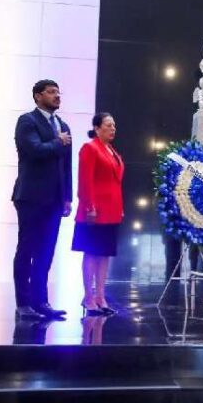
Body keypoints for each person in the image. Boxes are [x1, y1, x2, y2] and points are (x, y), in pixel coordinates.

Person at [12, 79, 72, 320]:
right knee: (27, 250)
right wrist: (58, 142)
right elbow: (34, 150)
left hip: (55, 200)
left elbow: (66, 166)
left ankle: (41, 301)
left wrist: (67, 197)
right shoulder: (27, 121)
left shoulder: (63, 124)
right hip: (31, 197)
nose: (57, 96)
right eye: (51, 92)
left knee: (46, 252)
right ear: (37, 96)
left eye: (58, 91)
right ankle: (23, 303)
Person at [72, 113, 124, 316]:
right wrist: (89, 206)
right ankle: (88, 296)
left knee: (104, 254)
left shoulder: (112, 151)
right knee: (92, 253)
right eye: (108, 125)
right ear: (97, 128)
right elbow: (85, 180)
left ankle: (101, 296)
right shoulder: (90, 148)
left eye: (114, 125)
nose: (113, 129)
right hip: (94, 211)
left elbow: (115, 183)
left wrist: (119, 207)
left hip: (111, 211)